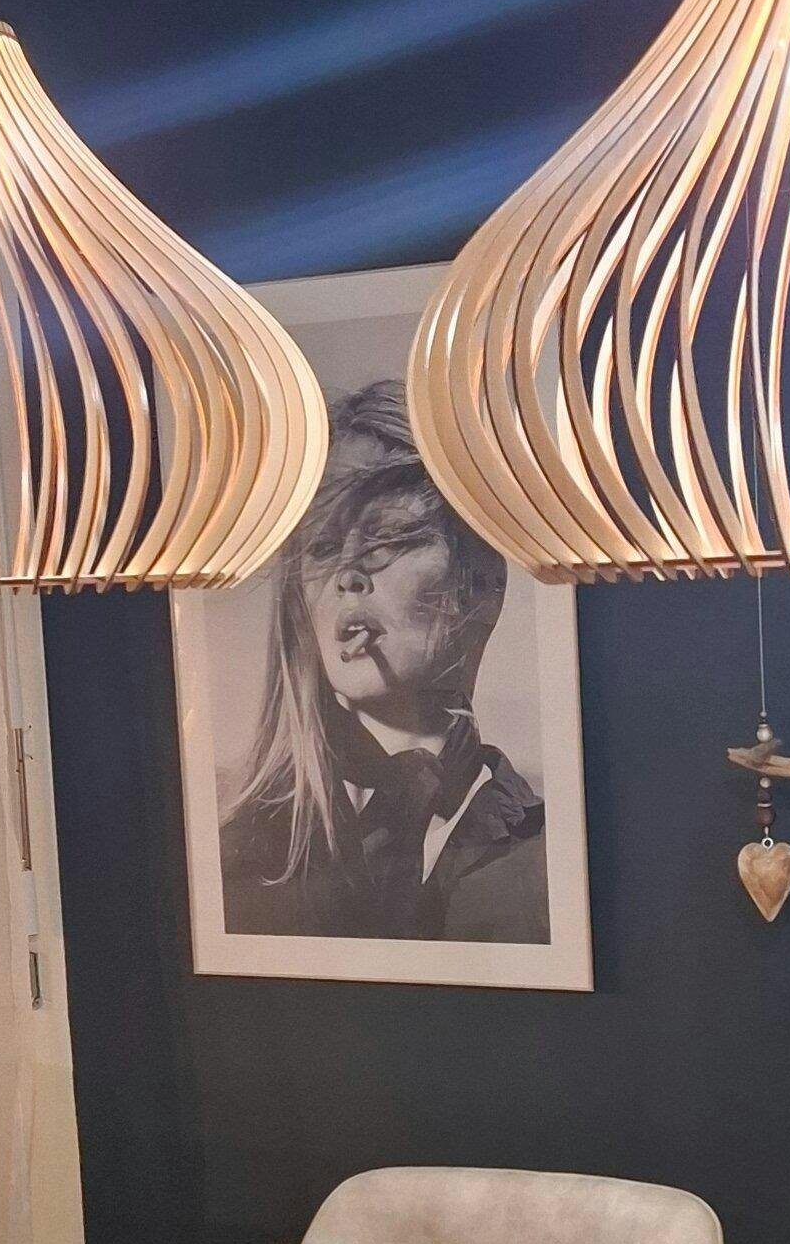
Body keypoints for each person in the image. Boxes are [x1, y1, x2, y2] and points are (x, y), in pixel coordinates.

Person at [218, 379, 549, 943]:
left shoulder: (550, 858)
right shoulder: (238, 857)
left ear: (482, 584)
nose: (348, 575)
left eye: (389, 540)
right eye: (322, 548)